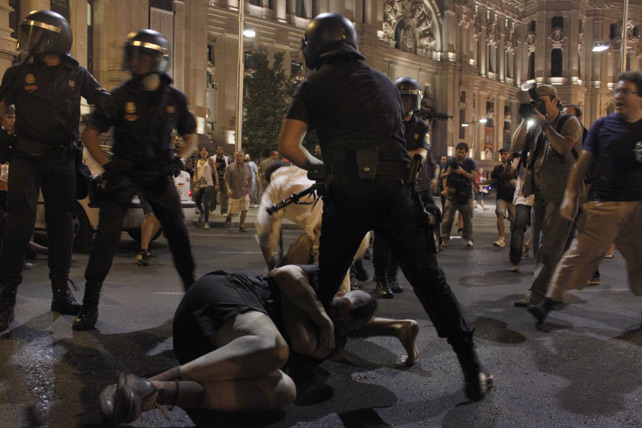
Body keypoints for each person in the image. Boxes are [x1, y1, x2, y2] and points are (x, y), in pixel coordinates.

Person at [277, 13, 492, 401]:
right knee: (430, 281)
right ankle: (471, 368)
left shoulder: (312, 84)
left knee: (328, 280)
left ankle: (303, 367)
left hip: (348, 194)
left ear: (314, 48)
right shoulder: (384, 83)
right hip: (396, 194)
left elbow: (289, 146)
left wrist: (319, 167)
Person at [98, 264, 420, 426]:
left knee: (285, 391)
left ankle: (156, 392)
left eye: (341, 322)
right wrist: (322, 318)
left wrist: (395, 328)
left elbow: (310, 340)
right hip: (221, 296)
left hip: (210, 350)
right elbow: (284, 273)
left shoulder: (333, 342)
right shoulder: (323, 284)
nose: (332, 317)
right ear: (338, 295)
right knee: (274, 347)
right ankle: (147, 384)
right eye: (336, 307)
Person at [75, 29, 197, 331]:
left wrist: (179, 158)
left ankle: (194, 301)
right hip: (124, 173)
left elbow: (191, 135)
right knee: (105, 239)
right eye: (132, 54)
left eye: (141, 55)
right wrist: (109, 165)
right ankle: (89, 306)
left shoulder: (175, 98)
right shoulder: (120, 96)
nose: (134, 61)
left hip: (158, 174)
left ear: (157, 60)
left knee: (179, 235)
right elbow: (89, 134)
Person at [0, 11, 107, 332]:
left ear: (54, 38)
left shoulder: (77, 74)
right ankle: (6, 299)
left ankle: (60, 293)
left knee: (62, 228)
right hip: (25, 159)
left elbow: (103, 101)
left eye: (34, 34)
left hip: (63, 160)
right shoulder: (17, 73)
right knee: (18, 227)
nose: (29, 40)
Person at [527, 71, 642, 323]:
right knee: (577, 255)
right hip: (604, 203)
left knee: (639, 262)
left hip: (637, 206)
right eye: (618, 91)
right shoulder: (603, 125)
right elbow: (582, 164)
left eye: (626, 91)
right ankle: (548, 301)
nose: (619, 96)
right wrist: (571, 196)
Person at [512, 84, 583, 307]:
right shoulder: (535, 124)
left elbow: (563, 148)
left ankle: (537, 293)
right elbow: (515, 146)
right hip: (540, 192)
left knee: (549, 245)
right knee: (538, 246)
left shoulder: (569, 122)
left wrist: (545, 125)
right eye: (534, 102)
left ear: (554, 100)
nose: (538, 106)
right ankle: (554, 287)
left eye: (541, 101)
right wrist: (526, 121)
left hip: (563, 193)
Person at [372, 77, 439, 298]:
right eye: (401, 99)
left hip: (411, 186)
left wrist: (395, 155)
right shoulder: (384, 122)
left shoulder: (421, 126)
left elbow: (421, 154)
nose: (405, 104)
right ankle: (380, 279)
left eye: (409, 100)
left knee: (405, 237)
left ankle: (392, 275)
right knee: (383, 236)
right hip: (386, 187)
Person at [441, 142, 478, 247]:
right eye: (458, 152)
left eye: (462, 152)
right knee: (447, 218)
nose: (460, 154)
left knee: (467, 218)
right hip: (452, 194)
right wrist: (447, 173)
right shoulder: (450, 162)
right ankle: (444, 238)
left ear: (466, 152)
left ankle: (468, 238)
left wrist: (462, 172)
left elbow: (474, 178)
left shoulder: (471, 163)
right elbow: (441, 175)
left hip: (465, 194)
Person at [487, 149, 516, 248]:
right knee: (500, 213)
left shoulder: (514, 168)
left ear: (508, 155)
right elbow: (492, 180)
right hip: (501, 196)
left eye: (505, 154)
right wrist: (479, 183)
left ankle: (513, 238)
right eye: (501, 154)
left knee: (514, 220)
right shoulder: (497, 168)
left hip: (512, 198)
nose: (503, 156)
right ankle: (501, 238)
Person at [224, 151, 253, 232]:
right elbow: (227, 180)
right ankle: (229, 216)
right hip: (234, 193)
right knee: (233, 211)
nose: (239, 157)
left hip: (245, 192)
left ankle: (241, 225)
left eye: (241, 156)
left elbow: (250, 179)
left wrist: (250, 191)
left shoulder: (248, 167)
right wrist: (228, 189)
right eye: (237, 156)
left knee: (244, 210)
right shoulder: (230, 167)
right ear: (234, 157)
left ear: (243, 157)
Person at [135, 195, 161, 266]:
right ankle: (142, 251)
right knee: (151, 215)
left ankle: (144, 247)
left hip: (160, 188)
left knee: (160, 217)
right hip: (145, 186)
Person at [194, 146, 215, 229]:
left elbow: (215, 172)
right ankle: (202, 212)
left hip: (208, 184)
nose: (204, 152)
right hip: (199, 184)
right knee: (197, 202)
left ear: (208, 153)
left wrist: (216, 184)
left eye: (205, 151)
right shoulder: (197, 161)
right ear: (200, 152)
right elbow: (195, 172)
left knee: (206, 203)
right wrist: (194, 179)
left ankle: (206, 222)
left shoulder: (210, 161)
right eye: (202, 150)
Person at [208, 144, 230, 216]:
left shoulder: (226, 158)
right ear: (216, 150)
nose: (219, 150)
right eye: (218, 149)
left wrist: (219, 166)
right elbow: (212, 167)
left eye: (221, 149)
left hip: (223, 177)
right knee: (213, 194)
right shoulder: (212, 158)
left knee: (224, 195)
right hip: (214, 178)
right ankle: (211, 208)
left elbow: (227, 167)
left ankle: (224, 211)